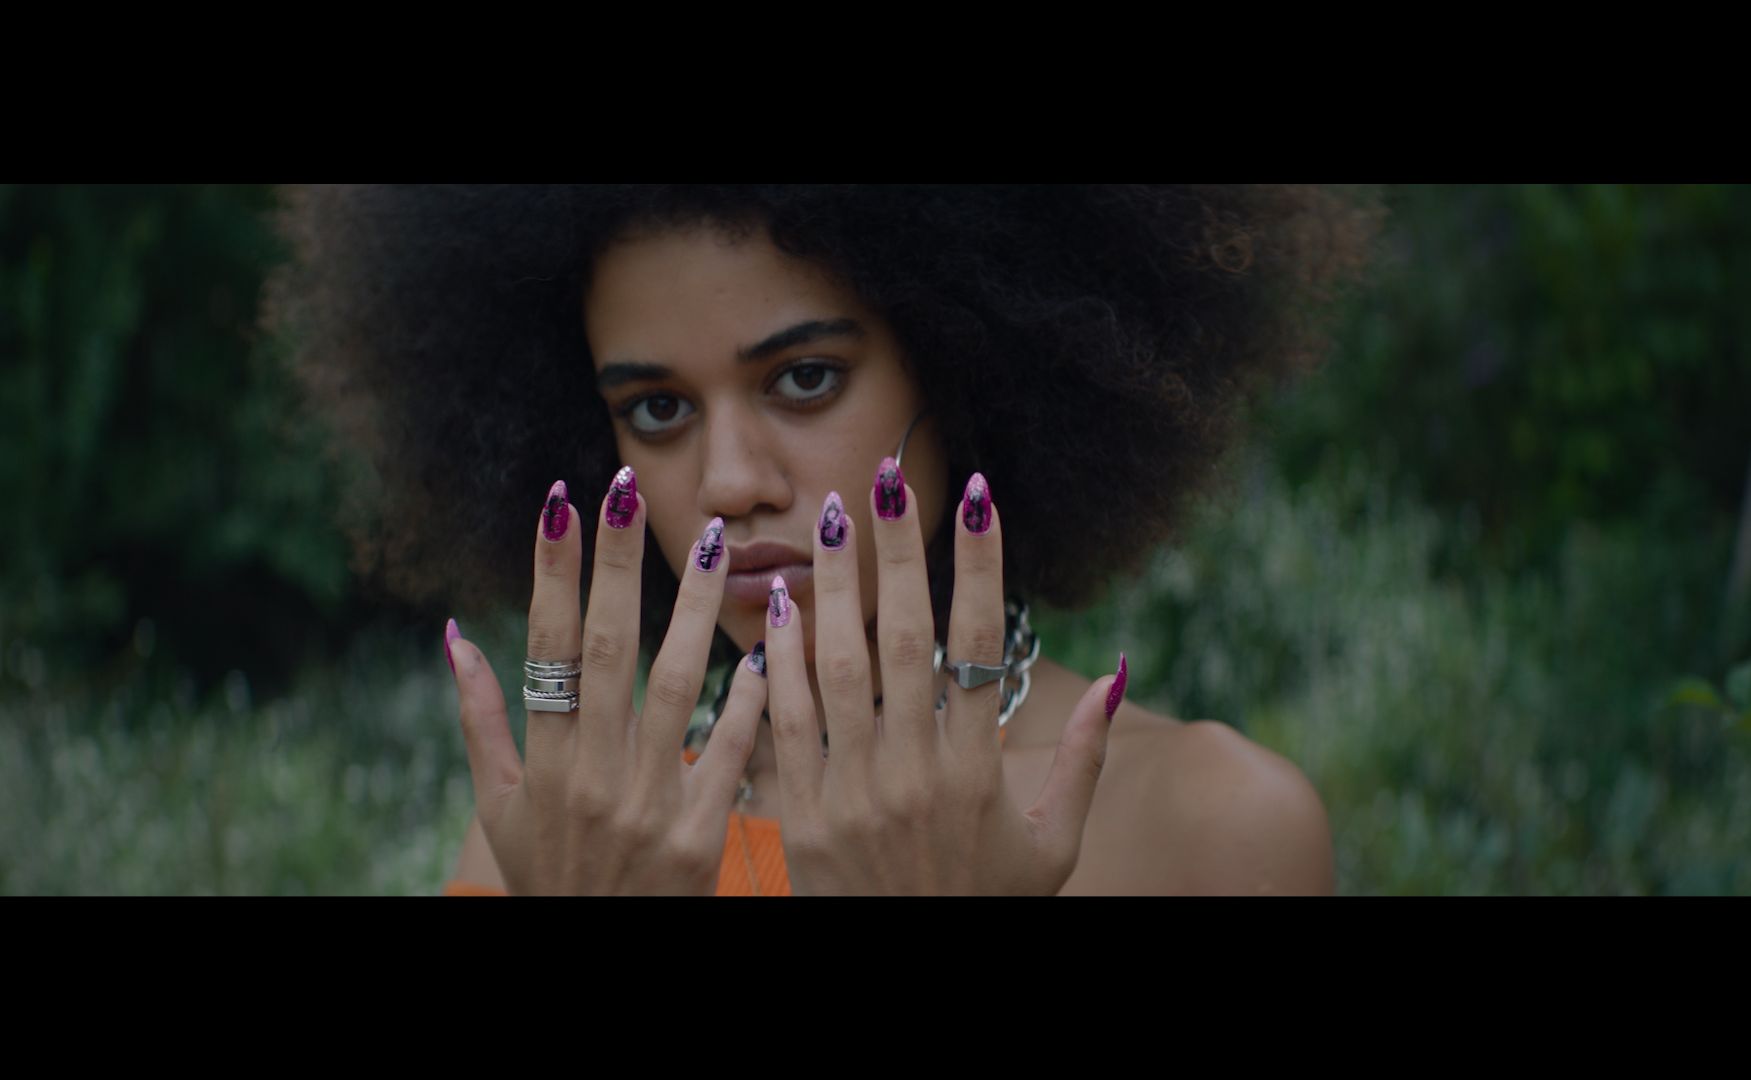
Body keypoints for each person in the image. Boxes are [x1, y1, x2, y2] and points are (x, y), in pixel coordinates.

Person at [275, 185, 1368, 894]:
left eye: (804, 379)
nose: (728, 481)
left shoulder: (1211, 829)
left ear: (966, 368)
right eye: (657, 408)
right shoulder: (562, 850)